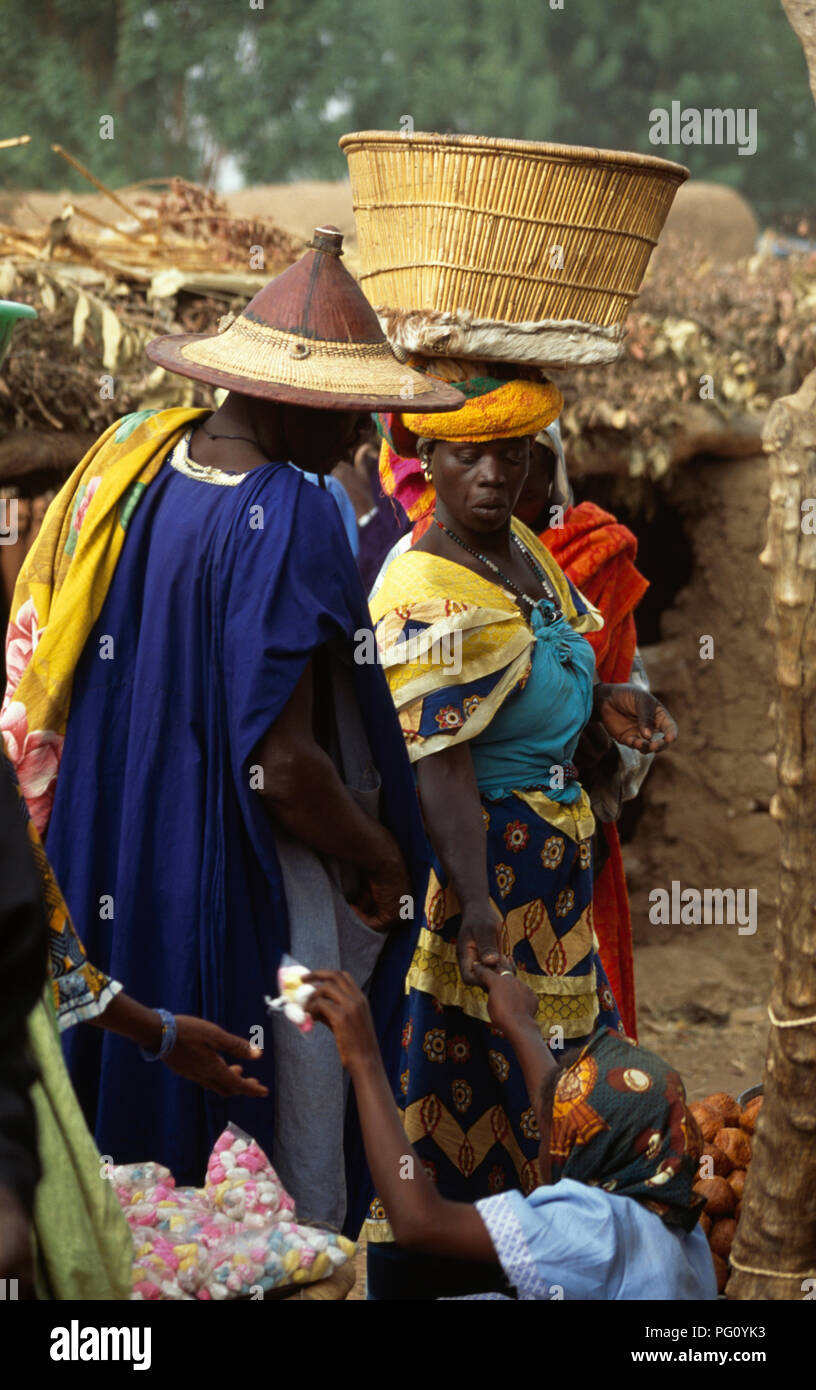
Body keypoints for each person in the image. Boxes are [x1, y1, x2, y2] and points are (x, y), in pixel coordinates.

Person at [1, 227, 462, 1233]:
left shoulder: (143, 473)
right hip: (232, 879)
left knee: (136, 1147)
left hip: (120, 856)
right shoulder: (287, 512)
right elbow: (286, 765)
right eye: (349, 414)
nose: (360, 442)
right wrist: (382, 854)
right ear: (292, 398)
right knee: (252, 1156)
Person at [366, 360, 677, 1292]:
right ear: (431, 459)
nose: (493, 475)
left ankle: (556, 1265)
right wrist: (476, 909)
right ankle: (457, 1276)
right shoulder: (425, 590)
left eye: (512, 454)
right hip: (489, 875)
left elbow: (549, 673)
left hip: (557, 880)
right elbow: (443, 765)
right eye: (470, 456)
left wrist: (608, 707)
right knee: (470, 1088)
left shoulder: (526, 555)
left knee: (559, 1088)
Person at [305, 966, 716, 1301]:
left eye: (549, 1133)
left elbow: (419, 1222)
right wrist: (519, 1023)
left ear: (585, 1155)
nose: (540, 1131)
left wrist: (364, 1061)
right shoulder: (675, 1223)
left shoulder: (593, 1229)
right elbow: (556, 1112)